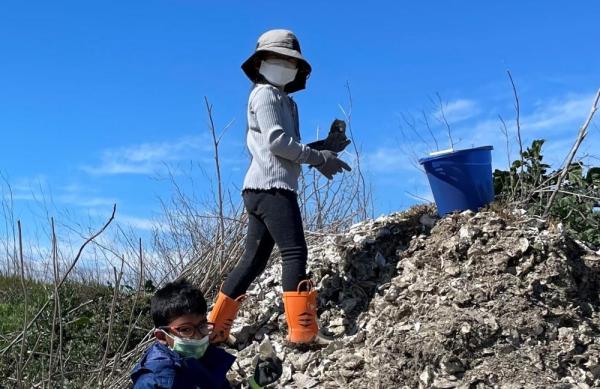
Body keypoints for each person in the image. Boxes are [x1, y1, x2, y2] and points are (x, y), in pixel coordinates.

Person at [208, 29, 351, 345]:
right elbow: (277, 142)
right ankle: (303, 332)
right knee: (295, 252)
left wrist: (324, 148)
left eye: (290, 60)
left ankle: (215, 331)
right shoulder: (266, 95)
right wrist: (318, 158)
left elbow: (284, 146)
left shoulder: (283, 101)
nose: (283, 64)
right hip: (272, 189)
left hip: (261, 189)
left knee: (254, 261)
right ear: (260, 63)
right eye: (276, 58)